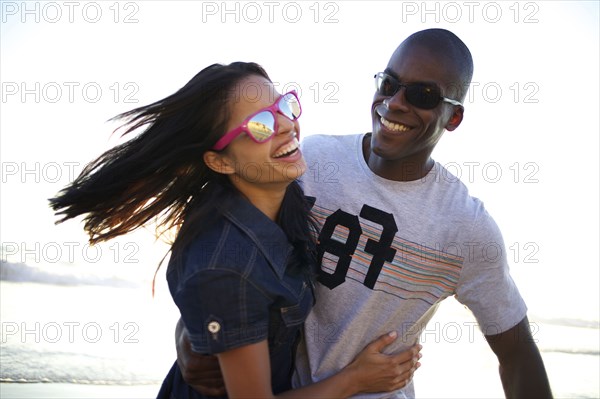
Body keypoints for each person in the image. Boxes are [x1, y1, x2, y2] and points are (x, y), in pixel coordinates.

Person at [175, 29, 553, 398]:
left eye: (423, 95)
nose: (396, 103)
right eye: (389, 84)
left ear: (453, 118)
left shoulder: (466, 228)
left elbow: (517, 353)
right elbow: (232, 266)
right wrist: (189, 335)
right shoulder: (313, 162)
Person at [48, 62, 422, 398]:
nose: (286, 126)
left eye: (284, 106)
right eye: (260, 125)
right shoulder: (226, 264)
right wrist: (354, 380)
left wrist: (193, 333)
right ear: (219, 161)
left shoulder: (286, 192)